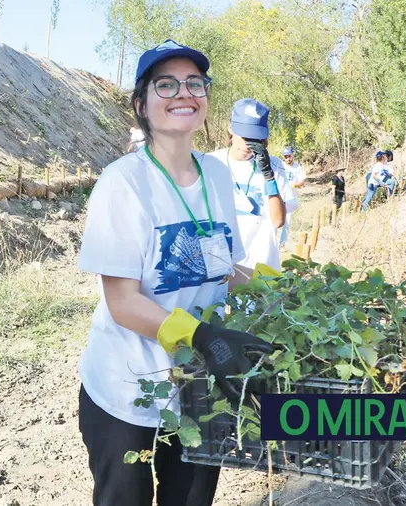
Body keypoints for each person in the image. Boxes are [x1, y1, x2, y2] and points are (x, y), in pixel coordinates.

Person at [76, 39, 273, 506]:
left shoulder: (217, 175)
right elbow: (122, 301)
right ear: (142, 104)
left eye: (194, 83)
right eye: (166, 84)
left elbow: (221, 268)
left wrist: (285, 289)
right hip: (128, 392)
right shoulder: (122, 182)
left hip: (201, 388)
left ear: (206, 98)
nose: (183, 93)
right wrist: (201, 335)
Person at [209, 99, 298, 271]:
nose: (248, 145)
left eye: (255, 138)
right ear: (230, 127)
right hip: (223, 269)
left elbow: (278, 221)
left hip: (263, 267)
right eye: (244, 136)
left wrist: (269, 176)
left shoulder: (275, 165)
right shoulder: (211, 163)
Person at [279, 146, 306, 245]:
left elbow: (302, 182)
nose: (288, 159)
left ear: (292, 155)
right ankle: (271, 243)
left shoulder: (298, 167)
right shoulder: (280, 165)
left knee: (287, 221)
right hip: (279, 196)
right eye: (285, 156)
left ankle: (282, 243)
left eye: (289, 156)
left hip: (290, 198)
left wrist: (293, 185)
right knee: (273, 220)